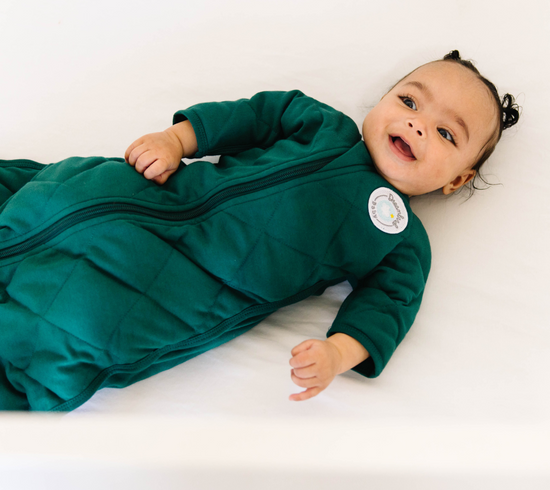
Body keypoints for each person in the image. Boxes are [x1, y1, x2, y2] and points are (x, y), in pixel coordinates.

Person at [0, 50, 520, 411]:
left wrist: (338, 352)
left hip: (187, 285)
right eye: (408, 101)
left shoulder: (402, 238)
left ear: (457, 180)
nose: (417, 124)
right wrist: (176, 140)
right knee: (63, 191)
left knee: (80, 321)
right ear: (383, 101)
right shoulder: (319, 122)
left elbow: (389, 306)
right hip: (152, 192)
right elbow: (249, 117)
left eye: (446, 133)